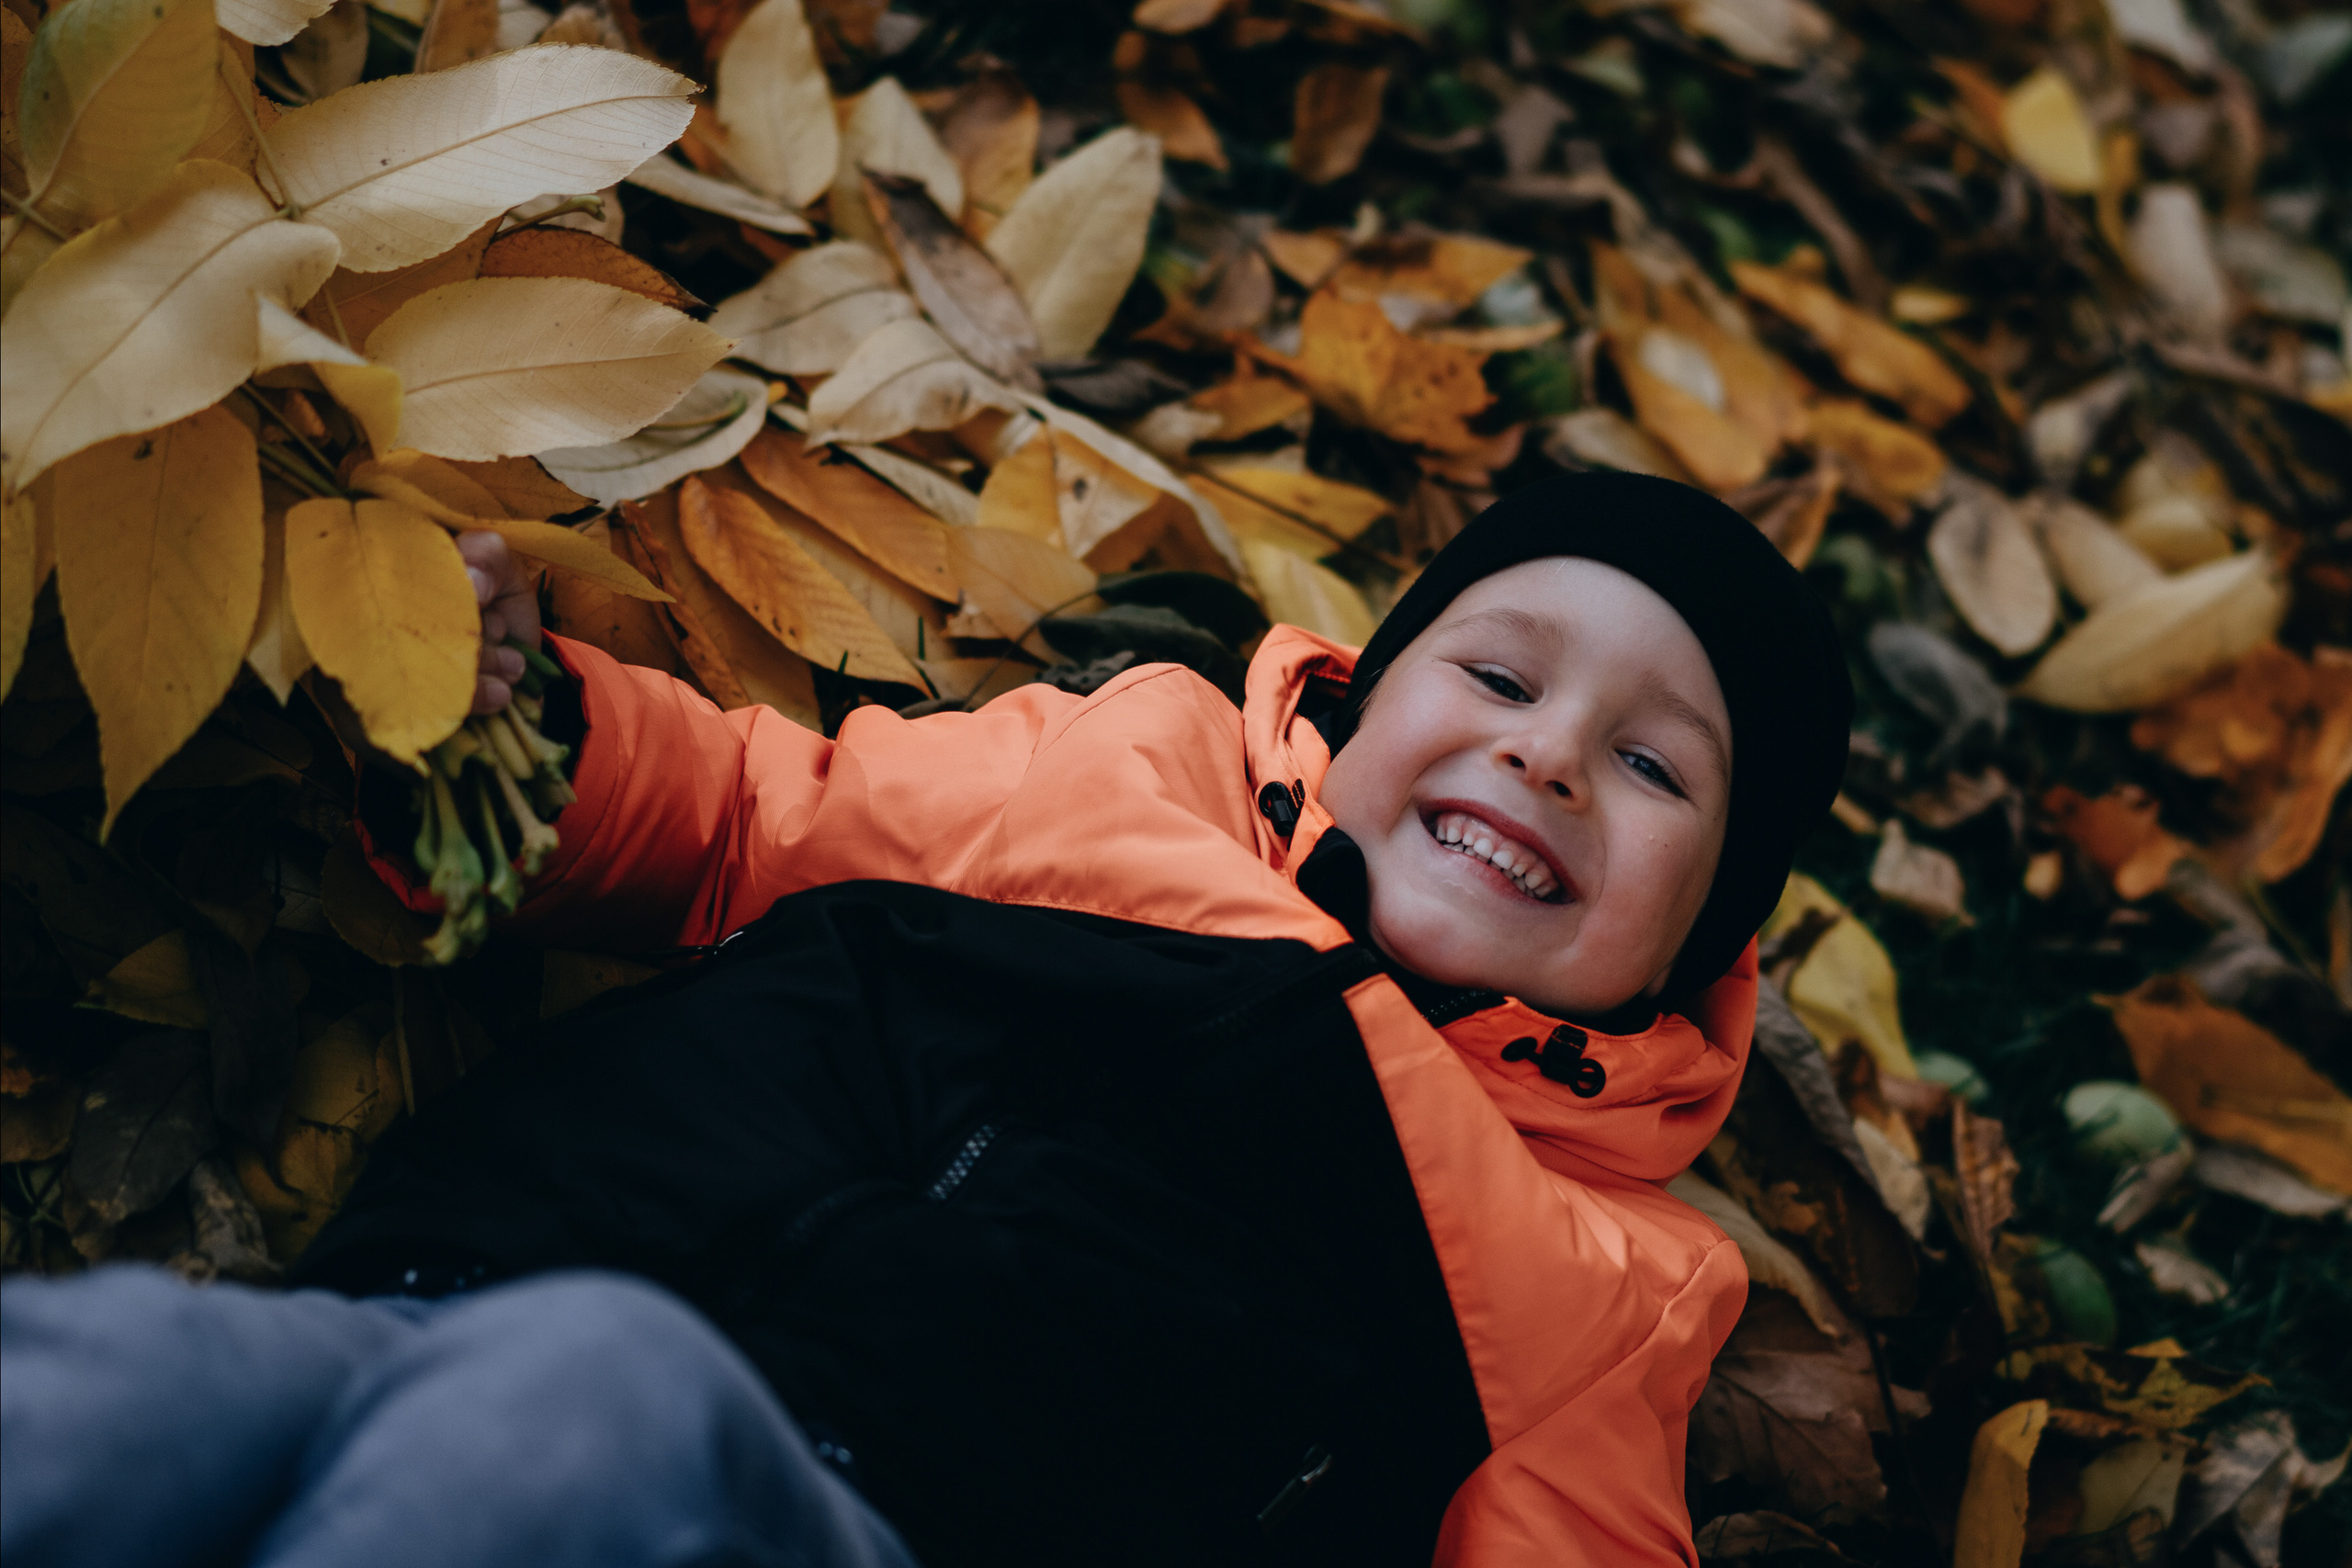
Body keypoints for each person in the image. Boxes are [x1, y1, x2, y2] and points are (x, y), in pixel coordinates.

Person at [1, 471, 1850, 1568]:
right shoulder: (1118, 771)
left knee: (588, 1402)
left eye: (1643, 764)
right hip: (422, 1297)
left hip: (852, 1515)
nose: (1542, 753)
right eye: (1501, 674)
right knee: (108, 1388)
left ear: (1694, 944)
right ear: (1356, 704)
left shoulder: (1605, 1282)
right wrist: (515, 728)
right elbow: (740, 816)